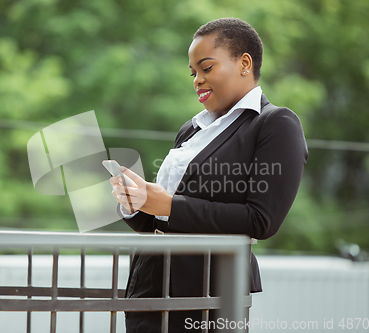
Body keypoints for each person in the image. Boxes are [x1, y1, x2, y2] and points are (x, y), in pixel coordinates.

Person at [110, 17, 308, 332]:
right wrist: (137, 202)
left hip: (208, 296)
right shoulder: (191, 129)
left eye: (207, 68)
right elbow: (160, 220)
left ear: (245, 63)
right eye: (193, 73)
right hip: (149, 286)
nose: (197, 80)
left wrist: (169, 205)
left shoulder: (275, 124)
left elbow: (261, 220)